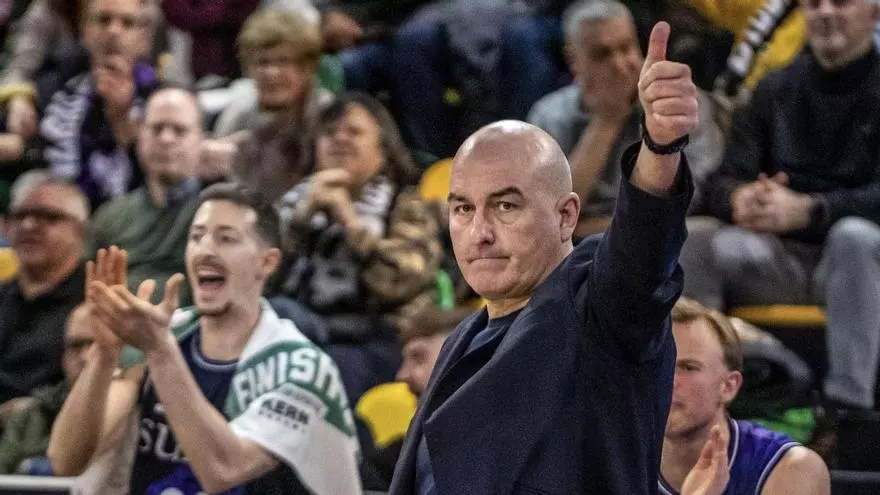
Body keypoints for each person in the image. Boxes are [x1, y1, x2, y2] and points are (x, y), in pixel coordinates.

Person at [390, 21, 704, 494]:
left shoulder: (596, 305)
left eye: (505, 206)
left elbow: (641, 250)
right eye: (463, 209)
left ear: (566, 215)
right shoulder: (461, 339)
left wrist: (660, 149)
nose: (480, 233)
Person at [48, 183, 362, 494]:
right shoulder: (169, 333)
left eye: (226, 238)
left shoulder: (302, 368)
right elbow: (66, 460)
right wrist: (104, 354)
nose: (205, 251)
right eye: (197, 237)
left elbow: (224, 469)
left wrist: (160, 351)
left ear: (267, 262)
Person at [702, 0, 880, 427]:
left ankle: (847, 417)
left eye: (841, 1)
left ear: (874, 12)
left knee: (854, 237)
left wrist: (812, 210)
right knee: (699, 240)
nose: (826, 13)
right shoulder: (775, 87)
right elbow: (720, 181)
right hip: (782, 259)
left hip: (863, 264)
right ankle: (699, 394)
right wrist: (740, 199)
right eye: (814, 3)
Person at [276, 92, 443, 404]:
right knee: (272, 321)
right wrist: (300, 222)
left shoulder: (407, 205)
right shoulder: (293, 205)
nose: (340, 139)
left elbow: (402, 281)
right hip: (306, 328)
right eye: (329, 133)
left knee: (328, 367)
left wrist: (349, 222)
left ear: (383, 149)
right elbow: (261, 280)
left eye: (353, 132)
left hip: (377, 339)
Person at [660, 298, 830, 495]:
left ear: (729, 386)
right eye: (657, 366)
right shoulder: (628, 460)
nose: (667, 380)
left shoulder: (793, 468)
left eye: (688, 367)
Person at [88, 85, 204, 306]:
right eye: (156, 129)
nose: (166, 139)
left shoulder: (217, 211)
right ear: (140, 135)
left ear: (202, 139)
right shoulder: (110, 215)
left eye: (179, 130)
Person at [0, 172, 88, 407]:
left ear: (80, 230)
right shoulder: (4, 295)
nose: (28, 225)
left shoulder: (96, 301)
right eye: (19, 215)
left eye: (48, 216)